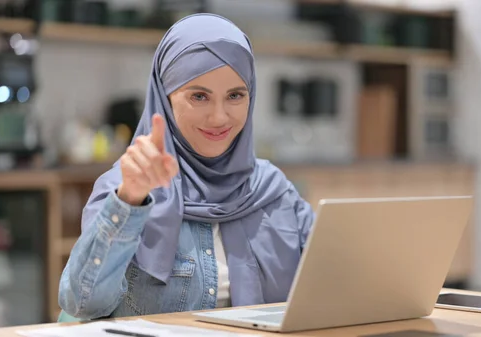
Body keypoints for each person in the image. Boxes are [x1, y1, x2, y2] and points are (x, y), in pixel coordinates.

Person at [57, 13, 315, 320]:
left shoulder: (274, 191)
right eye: (199, 96)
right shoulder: (127, 186)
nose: (219, 117)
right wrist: (129, 201)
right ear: (165, 99)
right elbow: (82, 304)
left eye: (235, 95)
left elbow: (335, 280)